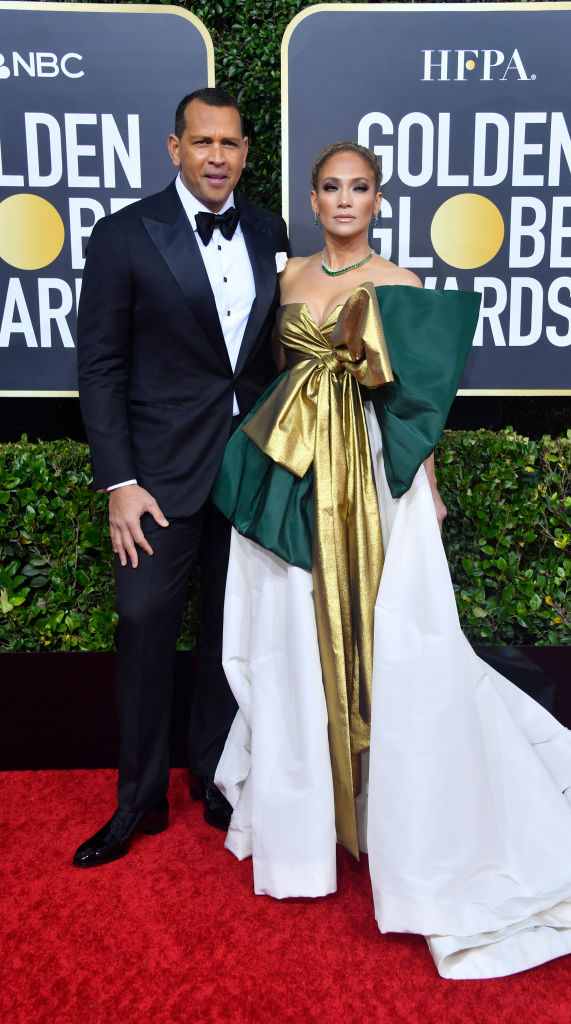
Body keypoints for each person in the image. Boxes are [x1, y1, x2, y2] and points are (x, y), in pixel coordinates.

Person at [211, 142, 571, 978]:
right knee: (292, 636)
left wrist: (430, 487)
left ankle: (404, 811)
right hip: (296, 476)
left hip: (375, 481)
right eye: (332, 188)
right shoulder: (287, 277)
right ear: (312, 197)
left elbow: (419, 401)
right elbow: (275, 382)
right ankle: (309, 815)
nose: (345, 200)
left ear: (378, 199)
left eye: (360, 189)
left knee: (400, 640)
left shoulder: (405, 285)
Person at [74, 88, 288, 868]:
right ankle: (137, 802)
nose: (218, 157)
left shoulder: (268, 230)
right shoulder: (125, 235)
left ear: (243, 152)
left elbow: (273, 356)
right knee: (143, 627)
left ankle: (215, 775)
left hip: (246, 468)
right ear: (175, 149)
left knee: (233, 635)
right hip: (156, 479)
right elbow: (98, 367)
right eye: (203, 143)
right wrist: (119, 481)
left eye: (230, 144)